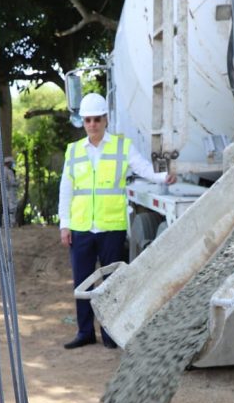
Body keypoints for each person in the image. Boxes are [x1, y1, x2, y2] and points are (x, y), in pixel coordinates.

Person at [58, 92, 176, 349]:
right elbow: (66, 189)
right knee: (82, 281)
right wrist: (64, 224)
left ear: (105, 120)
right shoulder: (74, 151)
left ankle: (111, 334)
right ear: (83, 122)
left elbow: (143, 168)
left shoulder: (122, 146)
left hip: (111, 226)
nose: (92, 125)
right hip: (81, 228)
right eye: (88, 120)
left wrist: (162, 177)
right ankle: (85, 332)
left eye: (97, 120)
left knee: (112, 284)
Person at [1, 155, 22, 224]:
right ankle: (11, 222)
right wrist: (18, 183)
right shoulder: (9, 171)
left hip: (4, 191)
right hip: (10, 191)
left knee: (5, 207)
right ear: (8, 163)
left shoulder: (2, 170)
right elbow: (12, 182)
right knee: (12, 207)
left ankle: (5, 223)